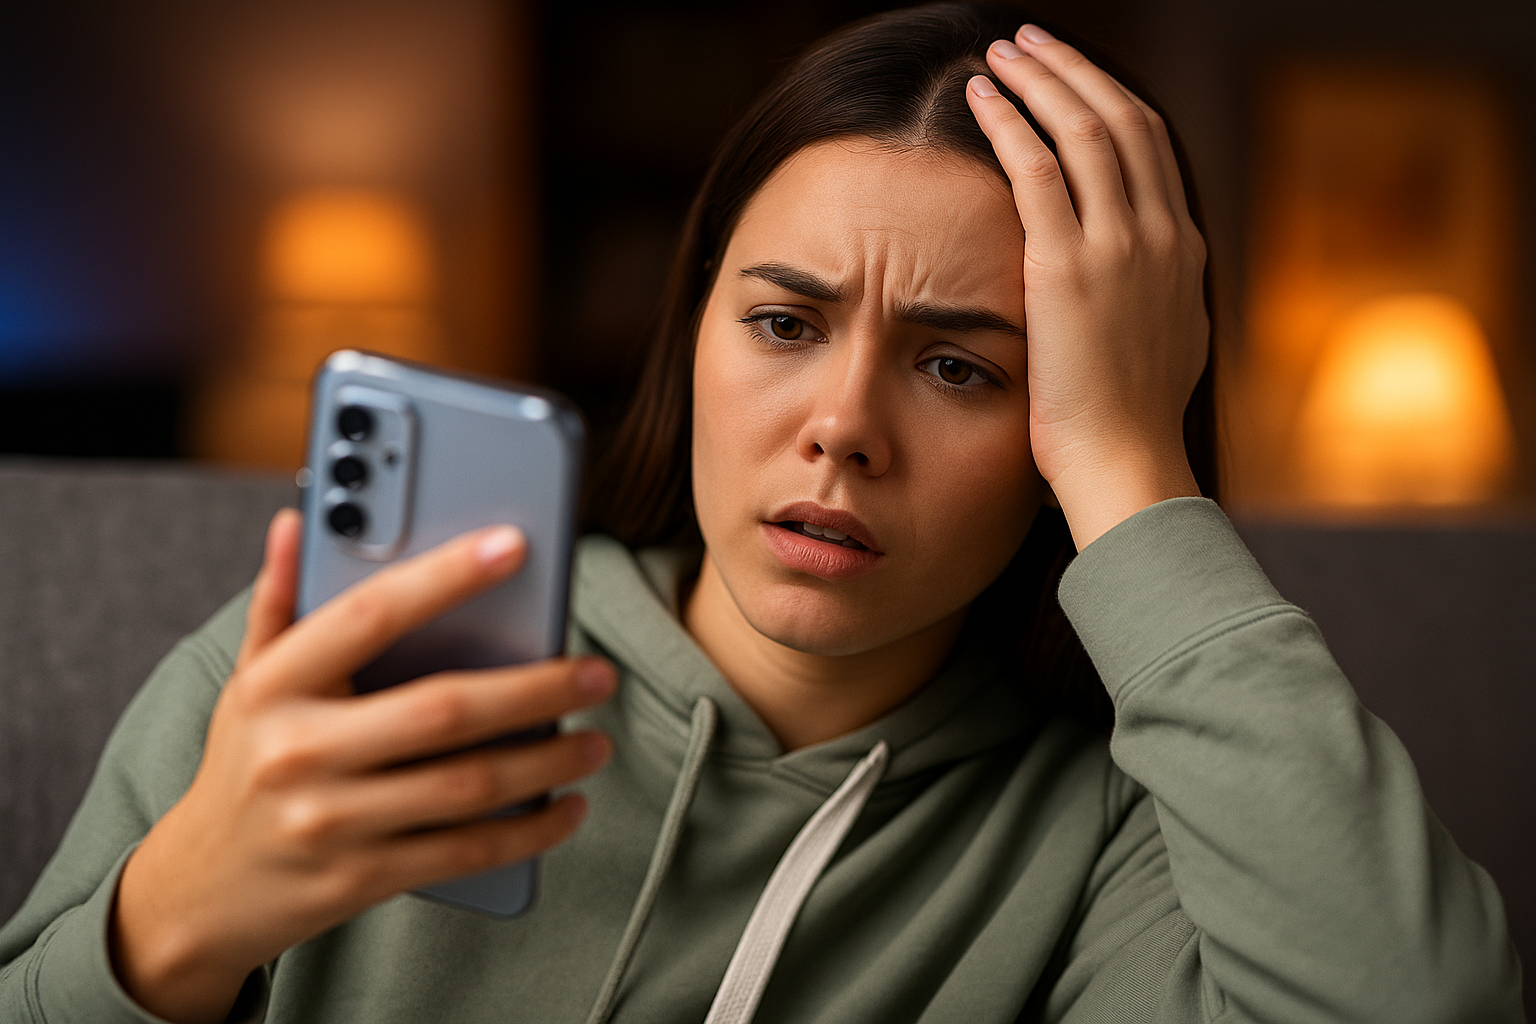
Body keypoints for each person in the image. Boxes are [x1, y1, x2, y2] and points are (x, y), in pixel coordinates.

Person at [0, 4, 1522, 1022]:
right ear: (693, 336)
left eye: (958, 367)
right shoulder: (349, 665)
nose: (844, 427)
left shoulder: (1108, 838)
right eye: (785, 325)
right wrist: (174, 922)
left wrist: (1133, 464)